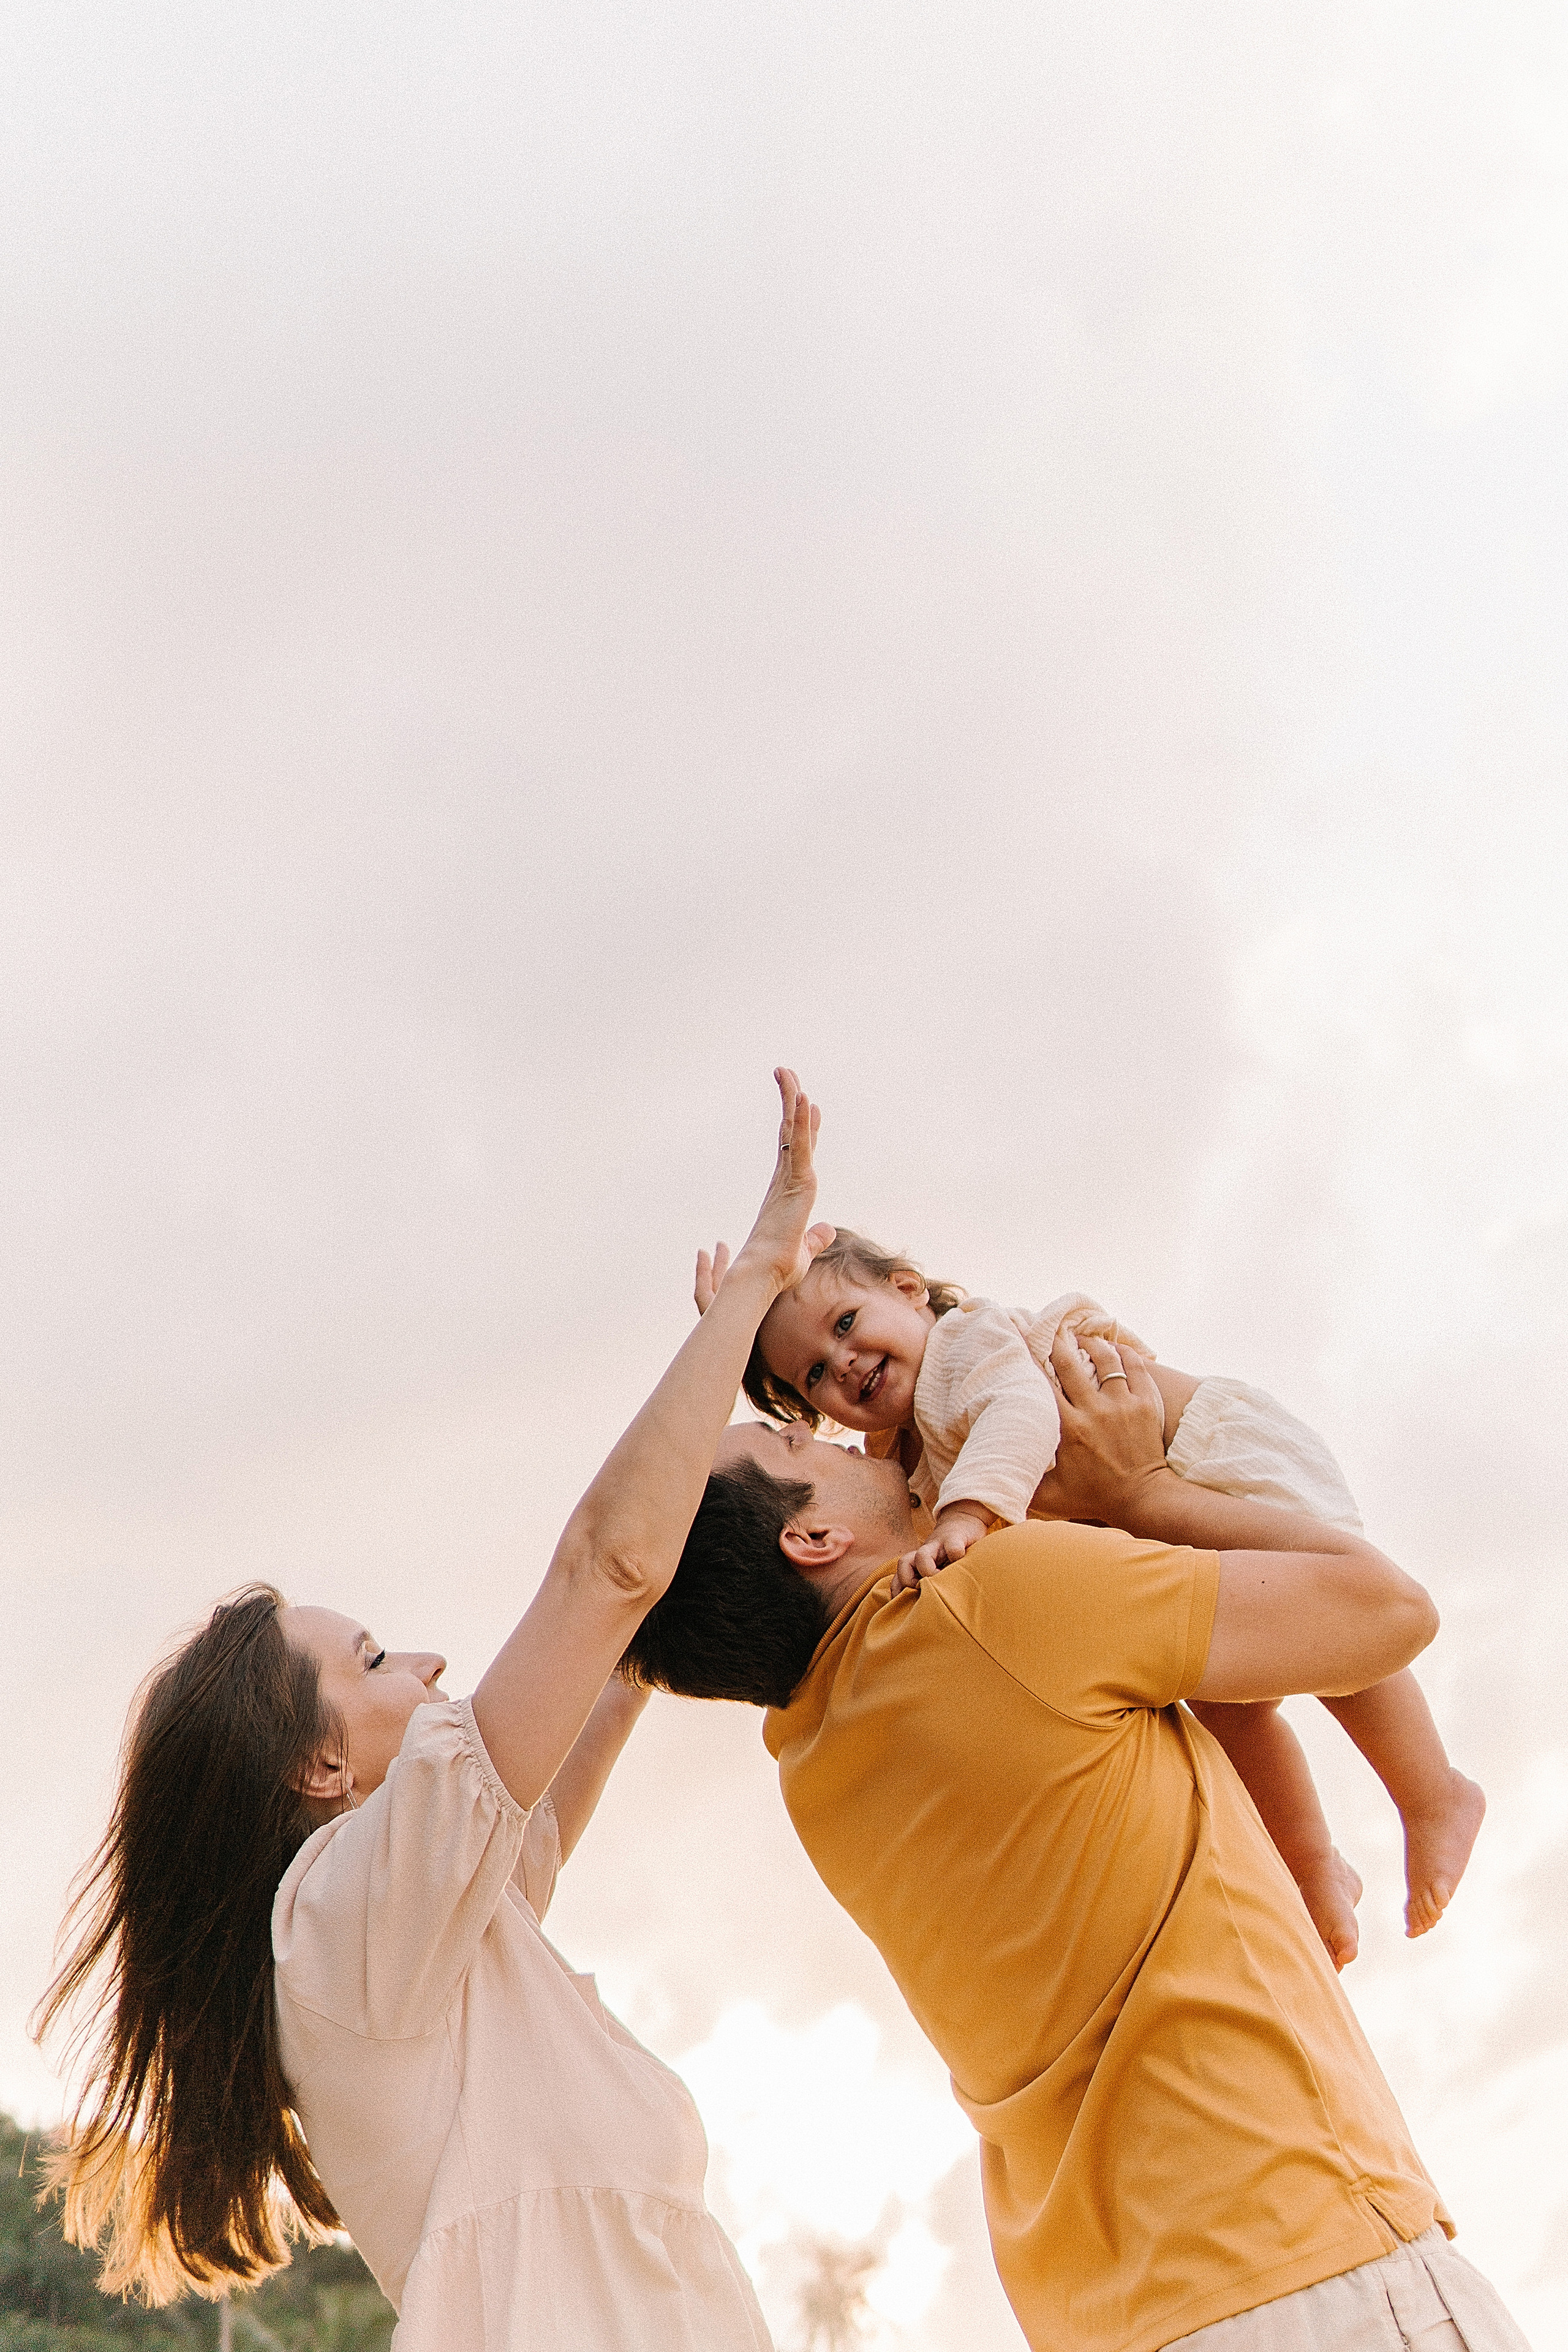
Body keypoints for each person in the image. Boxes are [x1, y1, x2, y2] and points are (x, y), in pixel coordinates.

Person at [36, 1071, 835, 2351]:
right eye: (371, 1661)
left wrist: (701, 1466)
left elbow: (587, 1707)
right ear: (312, 1764)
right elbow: (602, 1570)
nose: (427, 1662)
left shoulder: (431, 1934)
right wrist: (752, 1278)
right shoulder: (344, 1922)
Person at [623, 1327, 1534, 2352]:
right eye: (800, 1452)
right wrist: (1143, 1491)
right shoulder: (985, 1604)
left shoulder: (815, 1768)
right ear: (813, 1539)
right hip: (1298, 2258)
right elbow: (1387, 1611)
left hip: (1112, 2317)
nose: (841, 1442)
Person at [731, 1226, 1483, 1961]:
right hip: (1160, 1517)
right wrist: (728, 1329)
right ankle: (1314, 1860)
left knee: (1340, 1627)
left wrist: (965, 1515)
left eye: (847, 1323)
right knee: (1227, 1707)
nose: (845, 1362)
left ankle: (1432, 1794)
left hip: (1210, 1458)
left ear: (908, 1291)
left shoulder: (968, 1347)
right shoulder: (897, 1450)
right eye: (815, 1375)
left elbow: (1018, 1418)